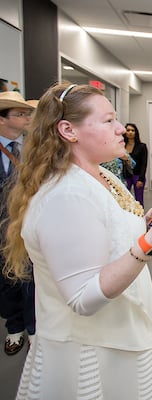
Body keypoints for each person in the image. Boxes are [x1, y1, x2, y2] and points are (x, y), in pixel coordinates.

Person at [3, 82, 152, 399]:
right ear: (68, 130)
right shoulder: (66, 196)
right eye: (108, 120)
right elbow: (84, 297)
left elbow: (110, 235)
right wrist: (150, 242)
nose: (121, 128)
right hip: (94, 351)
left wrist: (149, 227)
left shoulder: (100, 175)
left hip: (122, 332)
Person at [0, 91, 36, 356]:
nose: (26, 118)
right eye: (19, 114)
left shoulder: (29, 151)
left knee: (29, 280)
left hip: (25, 228)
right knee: (5, 281)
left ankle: (34, 331)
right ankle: (15, 328)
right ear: (2, 120)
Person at [124, 123, 148, 206]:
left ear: (136, 132)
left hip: (138, 176)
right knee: (124, 198)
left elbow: (143, 164)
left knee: (139, 199)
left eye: (132, 130)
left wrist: (141, 179)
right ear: (125, 132)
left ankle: (140, 217)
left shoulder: (142, 146)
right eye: (128, 130)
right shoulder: (121, 146)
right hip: (125, 176)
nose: (130, 132)